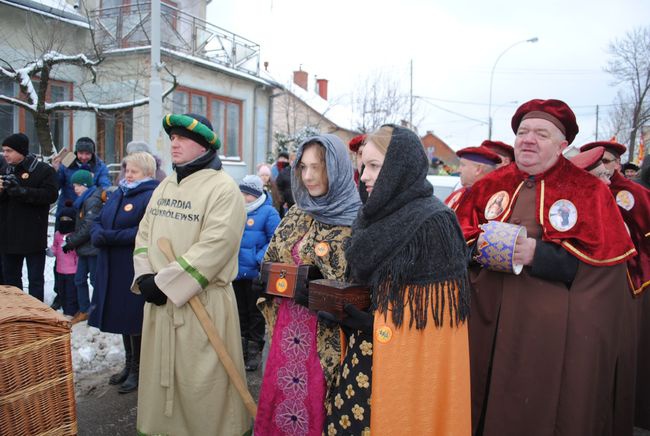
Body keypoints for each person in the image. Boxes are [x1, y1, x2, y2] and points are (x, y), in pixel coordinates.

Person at [456, 99, 636, 436]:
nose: (528, 139)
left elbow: (601, 272)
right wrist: (480, 249)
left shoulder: (589, 191)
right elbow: (455, 241)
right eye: (523, 132)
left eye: (541, 134)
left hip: (548, 334)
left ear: (562, 146)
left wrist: (537, 254)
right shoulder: (488, 185)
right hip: (484, 321)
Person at [337, 125, 471, 435]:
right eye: (362, 166)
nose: (365, 176)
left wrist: (376, 323)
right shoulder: (369, 217)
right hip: (363, 360)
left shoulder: (434, 222)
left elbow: (438, 322)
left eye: (374, 166)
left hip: (409, 369)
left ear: (400, 167)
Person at [131, 113, 248, 435]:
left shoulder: (223, 189)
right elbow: (144, 234)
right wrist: (145, 277)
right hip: (160, 306)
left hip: (201, 307)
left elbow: (216, 246)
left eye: (183, 137)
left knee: (204, 392)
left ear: (205, 144)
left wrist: (165, 283)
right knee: (160, 390)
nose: (175, 143)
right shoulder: (166, 184)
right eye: (172, 137)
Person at [255, 134, 361, 435]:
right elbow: (273, 256)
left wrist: (321, 288)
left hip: (325, 337)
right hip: (286, 327)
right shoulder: (296, 213)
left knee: (316, 408)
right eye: (303, 167)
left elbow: (361, 288)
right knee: (280, 402)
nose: (309, 176)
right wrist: (265, 279)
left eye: (318, 167)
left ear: (338, 168)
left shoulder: (357, 220)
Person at [580, 139, 650, 432]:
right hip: (589, 287)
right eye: (596, 162)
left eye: (607, 161)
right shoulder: (584, 191)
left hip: (630, 283)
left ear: (618, 164)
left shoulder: (635, 194)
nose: (602, 168)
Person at [89, 152, 160, 394]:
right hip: (111, 264)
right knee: (120, 316)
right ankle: (128, 365)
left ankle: (138, 370)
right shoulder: (119, 192)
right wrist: (96, 231)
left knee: (133, 318)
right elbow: (99, 219)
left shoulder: (150, 195)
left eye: (134, 171)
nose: (128, 175)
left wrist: (107, 237)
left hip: (131, 265)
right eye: (127, 170)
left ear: (148, 173)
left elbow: (142, 232)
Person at [0, 133, 58, 301]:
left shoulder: (43, 170)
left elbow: (51, 195)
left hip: (33, 236)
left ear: (21, 151)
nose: (5, 154)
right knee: (11, 281)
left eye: (9, 150)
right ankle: (16, 315)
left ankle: (37, 317)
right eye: (4, 150)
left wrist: (22, 191)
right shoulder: (4, 170)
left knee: (35, 281)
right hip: (8, 237)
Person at [233, 175, 280, 371]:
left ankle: (254, 352)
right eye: (241, 193)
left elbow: (276, 238)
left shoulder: (268, 212)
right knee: (239, 313)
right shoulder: (235, 211)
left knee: (255, 314)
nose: (243, 197)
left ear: (256, 194)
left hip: (255, 274)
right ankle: (241, 350)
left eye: (247, 194)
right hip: (236, 272)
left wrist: (258, 258)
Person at [62, 169, 104, 324]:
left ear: (87, 185)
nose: (75, 189)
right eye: (74, 186)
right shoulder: (84, 200)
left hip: (92, 248)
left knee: (94, 280)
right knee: (79, 279)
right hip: (84, 248)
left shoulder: (92, 200)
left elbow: (88, 226)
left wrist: (72, 242)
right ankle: (85, 309)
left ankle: (98, 309)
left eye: (79, 185)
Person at [54, 137, 111, 213]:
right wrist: (55, 171)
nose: (84, 157)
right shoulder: (67, 161)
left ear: (92, 153)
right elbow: (56, 186)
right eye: (81, 153)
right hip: (66, 210)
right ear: (76, 152)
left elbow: (105, 188)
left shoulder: (99, 166)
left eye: (87, 154)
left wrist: (90, 191)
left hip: (89, 210)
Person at [445, 146, 501, 211]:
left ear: (478, 169)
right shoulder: (458, 194)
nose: (458, 170)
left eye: (463, 165)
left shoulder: (493, 199)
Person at [50, 201, 79, 317]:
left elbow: (78, 253)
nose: (64, 222)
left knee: (71, 292)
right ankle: (64, 308)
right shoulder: (58, 234)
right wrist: (51, 251)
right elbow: (55, 247)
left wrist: (71, 247)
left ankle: (71, 311)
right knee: (62, 290)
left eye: (68, 219)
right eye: (62, 219)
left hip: (72, 270)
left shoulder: (75, 236)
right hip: (60, 269)